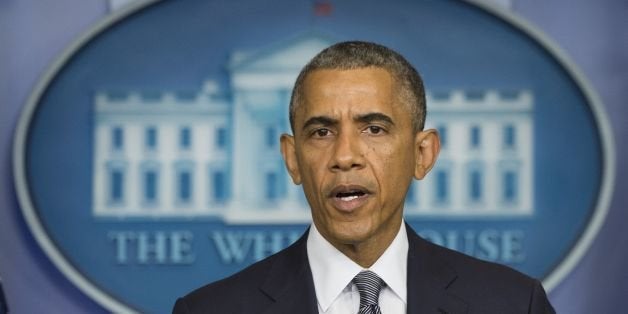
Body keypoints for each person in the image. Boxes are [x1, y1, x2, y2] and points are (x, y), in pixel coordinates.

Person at [173, 41, 555, 314]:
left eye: (374, 129)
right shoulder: (208, 309)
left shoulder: (513, 304)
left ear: (422, 155)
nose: (344, 156)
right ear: (292, 159)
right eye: (321, 132)